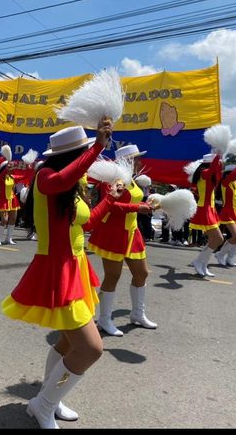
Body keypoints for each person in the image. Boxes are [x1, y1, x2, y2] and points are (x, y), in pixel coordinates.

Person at [1, 118, 113, 429]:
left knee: (67, 342)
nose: (89, 159)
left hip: (77, 268)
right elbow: (62, 179)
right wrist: (97, 148)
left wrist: (111, 200)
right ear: (74, 155)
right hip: (56, 269)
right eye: (84, 152)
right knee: (91, 349)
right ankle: (44, 404)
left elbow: (86, 223)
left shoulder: (73, 186)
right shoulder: (46, 176)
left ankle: (49, 399)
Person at [87, 144, 157, 337]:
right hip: (114, 233)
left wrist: (146, 204)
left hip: (132, 233)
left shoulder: (130, 179)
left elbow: (130, 202)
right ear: (128, 161)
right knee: (113, 276)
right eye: (137, 158)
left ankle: (137, 314)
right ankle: (104, 319)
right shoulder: (117, 180)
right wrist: (138, 208)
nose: (140, 162)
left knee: (142, 273)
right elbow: (111, 205)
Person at [189, 153, 224, 277]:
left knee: (213, 239)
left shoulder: (211, 175)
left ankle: (203, 264)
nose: (219, 164)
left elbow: (218, 173)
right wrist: (218, 154)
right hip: (204, 208)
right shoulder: (204, 173)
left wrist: (220, 162)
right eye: (217, 162)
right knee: (219, 239)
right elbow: (213, 169)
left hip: (210, 208)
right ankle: (199, 261)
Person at [0, 158, 21, 245]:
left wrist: (29, 168)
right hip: (3, 200)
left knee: (13, 219)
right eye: (10, 167)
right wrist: (7, 167)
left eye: (11, 167)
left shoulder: (12, 177)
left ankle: (8, 238)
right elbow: (3, 174)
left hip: (13, 200)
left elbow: (25, 177)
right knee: (4, 220)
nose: (12, 168)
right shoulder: (0, 177)